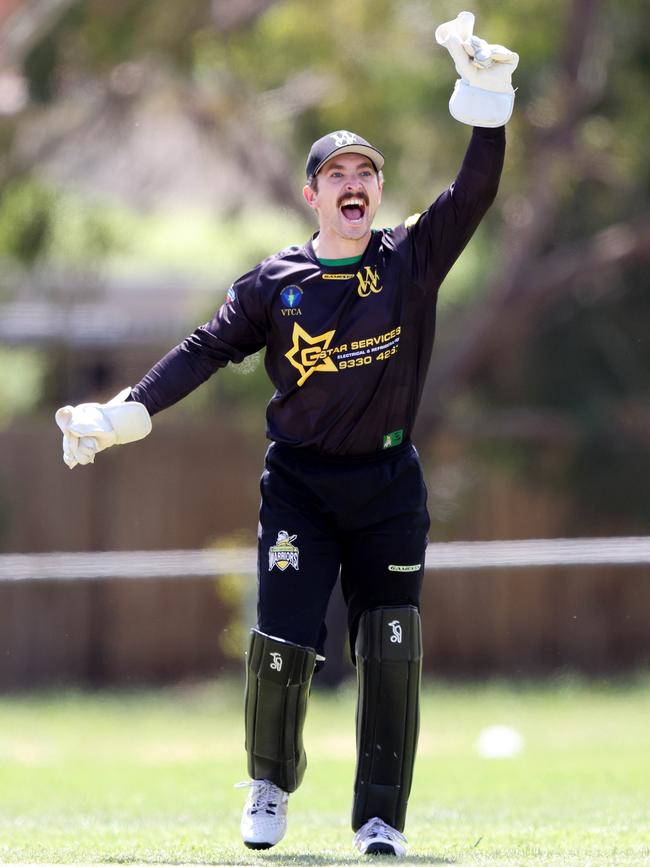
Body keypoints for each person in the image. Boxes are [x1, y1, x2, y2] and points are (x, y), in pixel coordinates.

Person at [55, 11, 517, 857]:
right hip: (301, 485)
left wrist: (487, 100)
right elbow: (203, 349)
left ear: (376, 193)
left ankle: (381, 818)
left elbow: (475, 192)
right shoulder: (276, 282)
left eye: (366, 174)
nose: (354, 183)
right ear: (312, 194)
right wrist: (125, 414)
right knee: (282, 644)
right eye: (336, 172)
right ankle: (269, 785)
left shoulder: (409, 259)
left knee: (391, 642)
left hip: (387, 485)